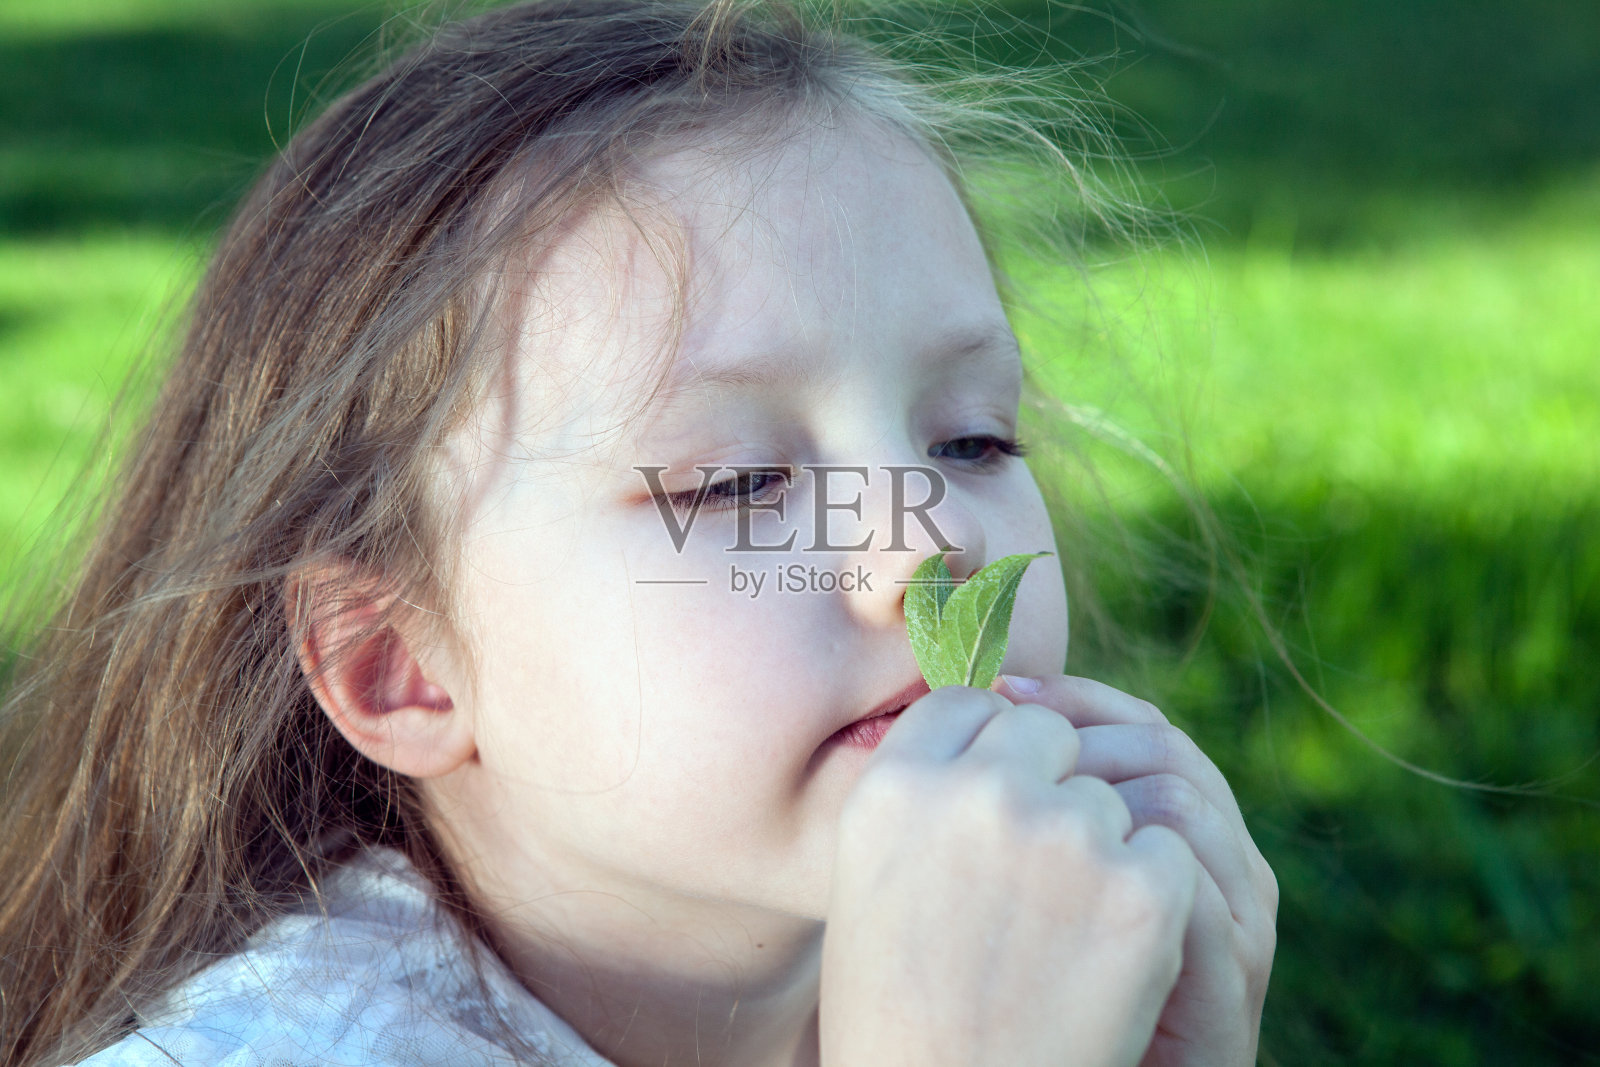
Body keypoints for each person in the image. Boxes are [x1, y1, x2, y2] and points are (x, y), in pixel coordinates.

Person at [0, 1, 1277, 1064]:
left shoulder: (994, 957)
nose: (923, 543)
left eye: (971, 440)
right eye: (733, 483)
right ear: (399, 662)